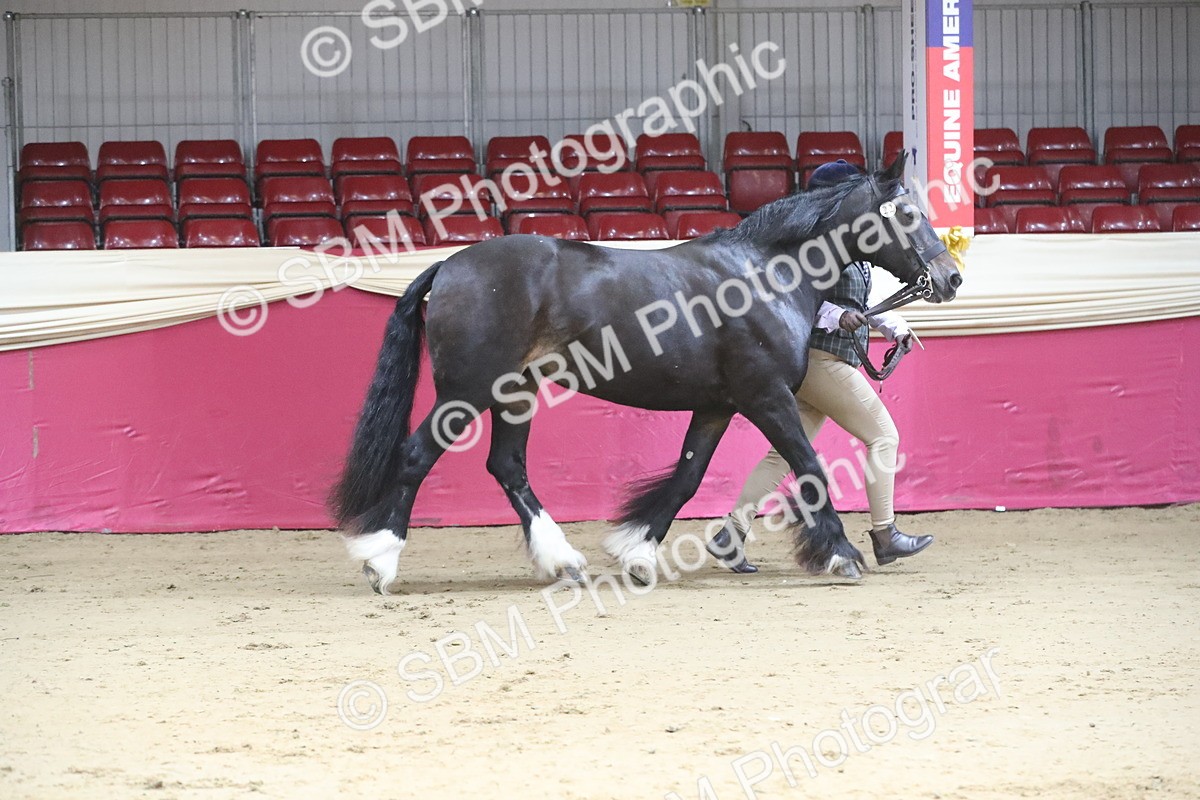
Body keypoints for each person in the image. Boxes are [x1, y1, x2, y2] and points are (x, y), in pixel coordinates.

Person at [706, 159, 934, 574]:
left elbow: (861, 303)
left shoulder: (851, 247)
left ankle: (730, 534)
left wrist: (894, 326)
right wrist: (834, 316)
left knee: (782, 455)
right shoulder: (811, 249)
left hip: (821, 363)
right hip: (823, 360)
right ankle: (885, 534)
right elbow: (795, 303)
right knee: (884, 436)